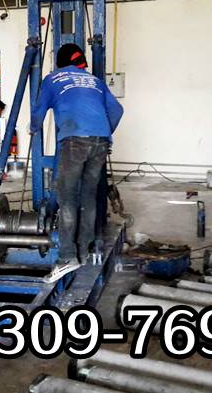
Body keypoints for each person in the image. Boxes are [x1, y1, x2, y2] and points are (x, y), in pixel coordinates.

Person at [31, 44, 124, 275]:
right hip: (101, 141)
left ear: (60, 62)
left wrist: (33, 127)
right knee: (89, 197)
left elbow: (39, 110)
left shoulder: (53, 78)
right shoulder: (94, 81)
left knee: (68, 198)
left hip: (74, 141)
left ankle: (67, 257)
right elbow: (117, 110)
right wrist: (102, 131)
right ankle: (84, 250)